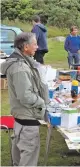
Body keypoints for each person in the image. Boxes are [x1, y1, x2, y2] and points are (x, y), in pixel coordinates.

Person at [0, 32, 49, 166]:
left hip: (23, 119)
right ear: (25, 47)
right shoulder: (20, 67)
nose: (37, 47)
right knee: (27, 162)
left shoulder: (23, 62)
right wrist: (42, 102)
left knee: (20, 160)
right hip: (27, 120)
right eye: (34, 44)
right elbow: (25, 96)